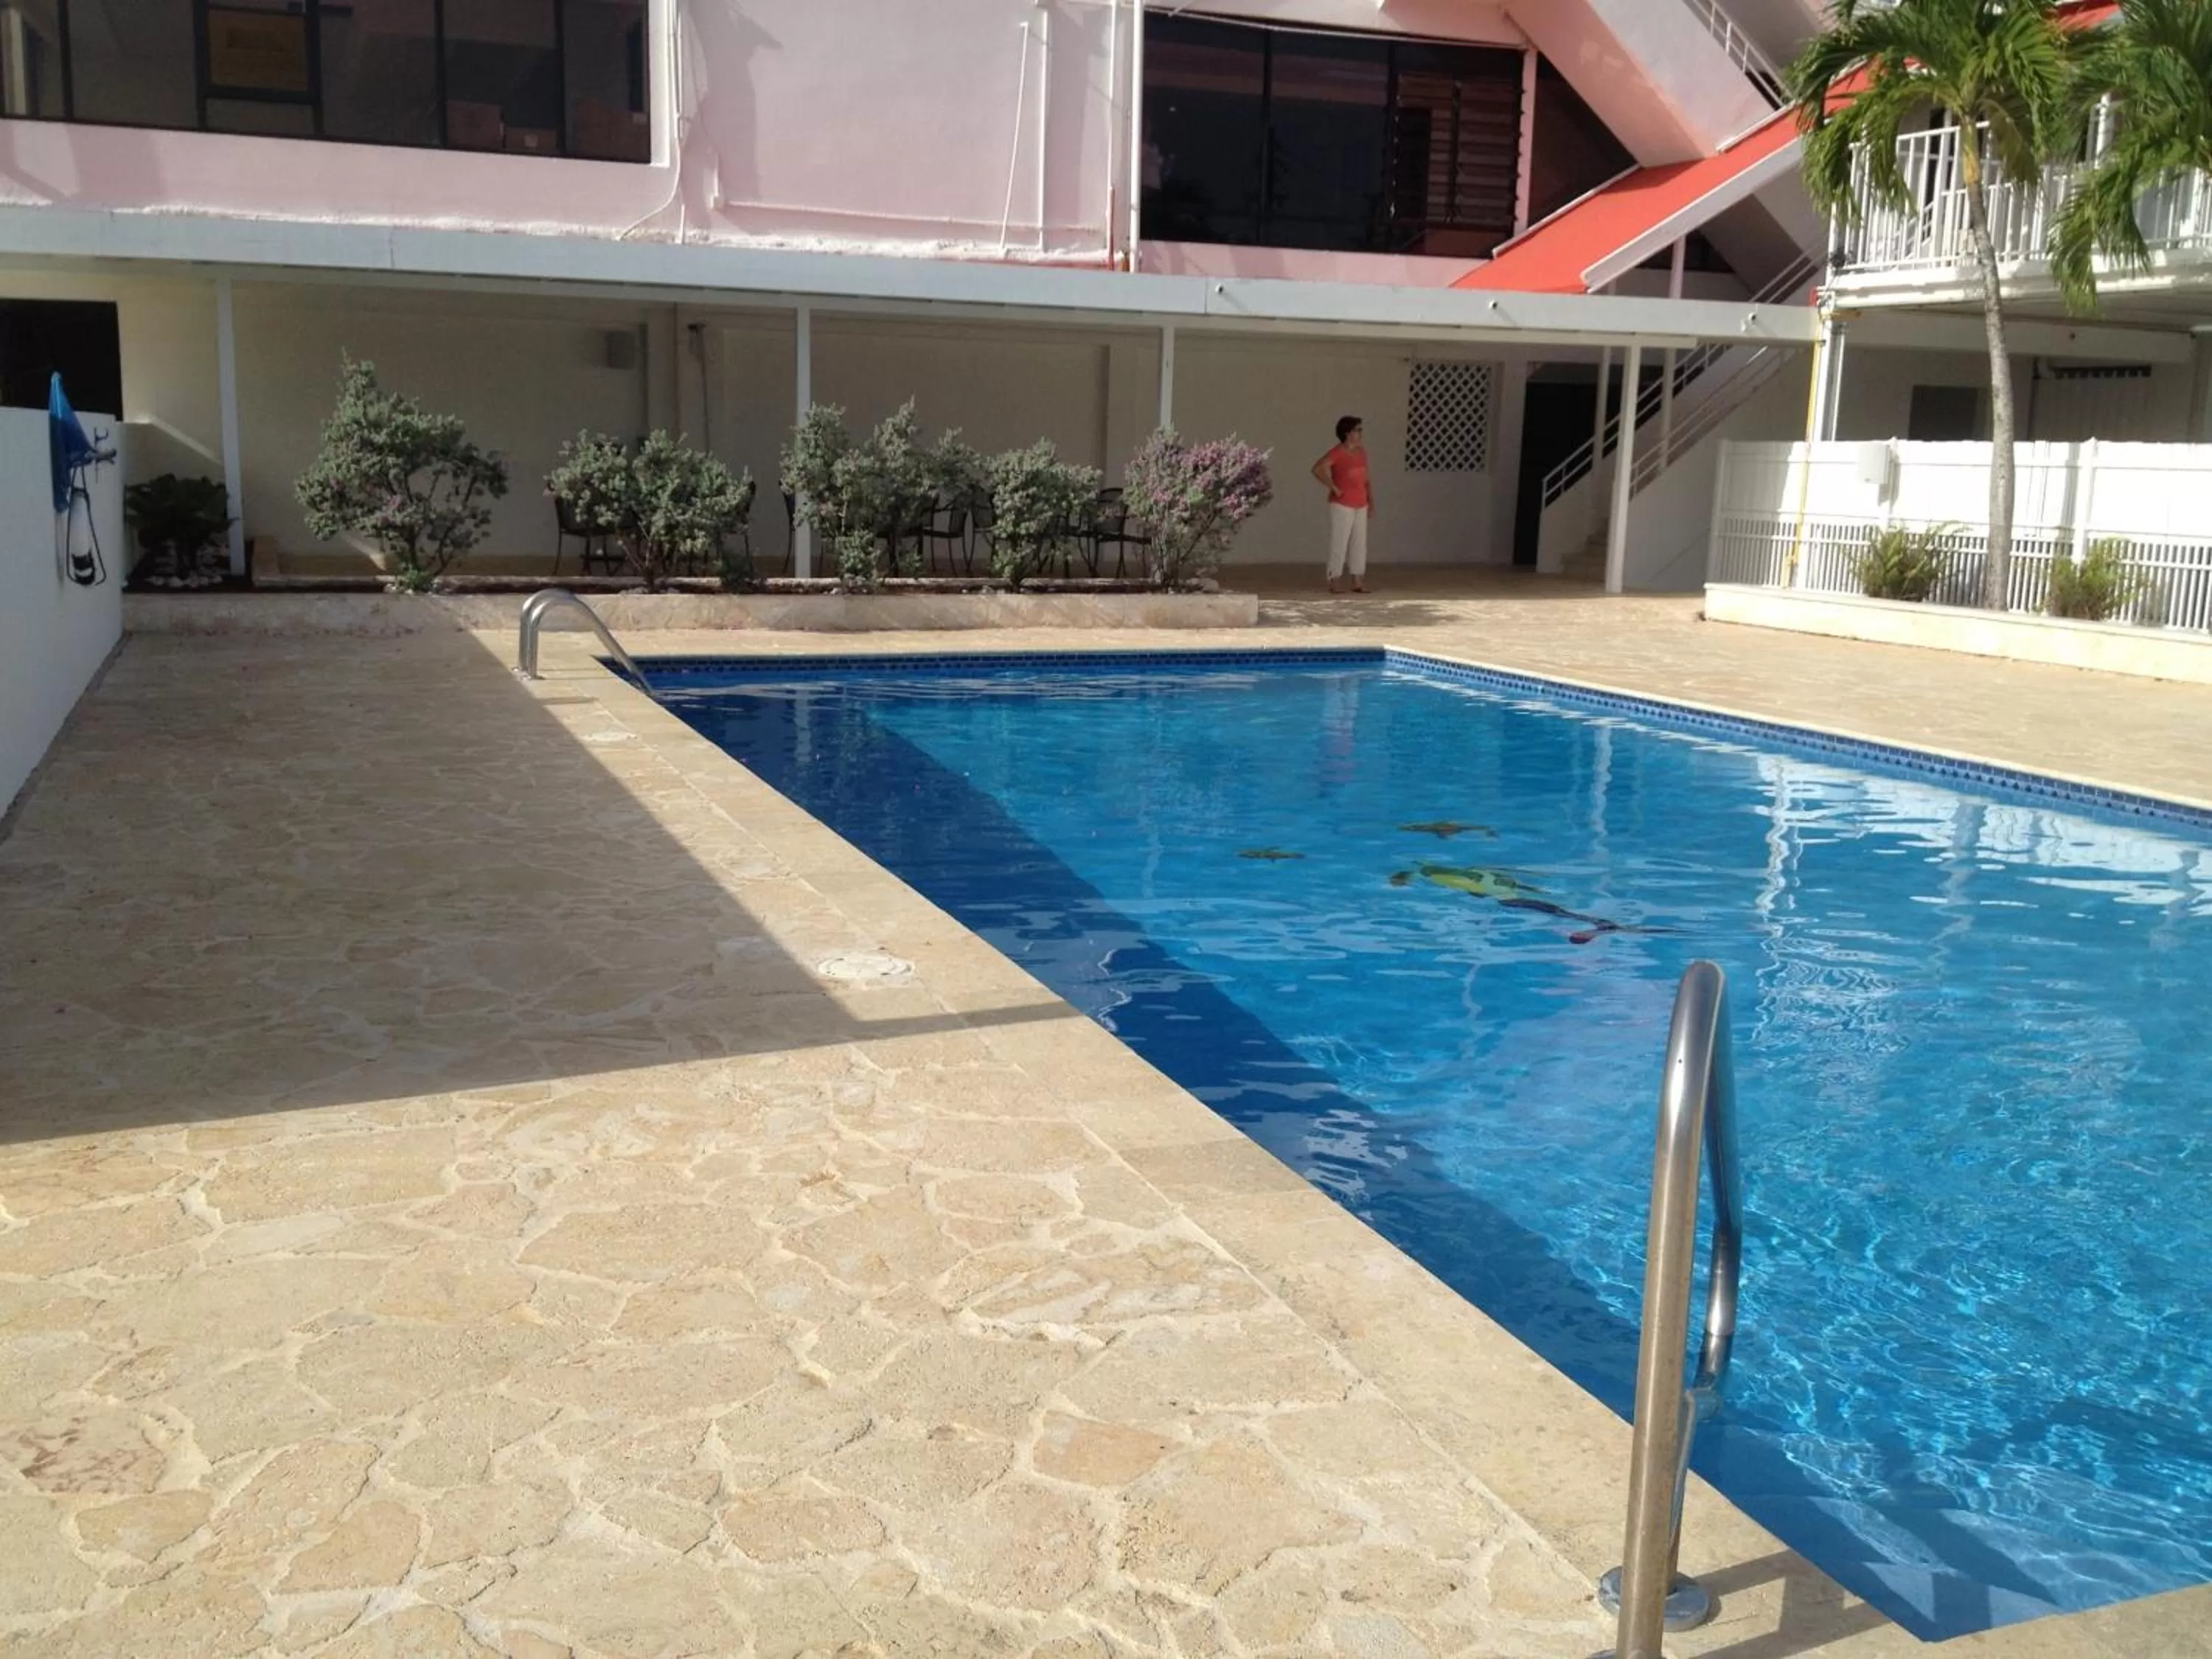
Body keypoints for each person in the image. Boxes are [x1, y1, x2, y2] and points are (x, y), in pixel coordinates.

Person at [1311, 415, 1372, 594]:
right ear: (1347, 433)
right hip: (1342, 504)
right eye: (1357, 430)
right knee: (1340, 541)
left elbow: (1367, 479)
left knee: (1359, 542)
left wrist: (1371, 500)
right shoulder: (1337, 452)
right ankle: (1334, 579)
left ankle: (1357, 579)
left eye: (1360, 430)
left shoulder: (1361, 453)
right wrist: (1334, 488)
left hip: (1361, 503)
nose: (1360, 433)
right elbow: (1317, 468)